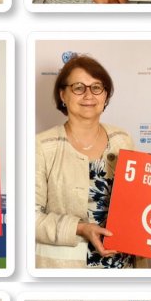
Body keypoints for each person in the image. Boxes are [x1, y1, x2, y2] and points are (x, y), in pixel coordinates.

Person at [35, 54, 134, 268]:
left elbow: (139, 203)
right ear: (63, 95)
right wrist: (79, 228)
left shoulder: (122, 139)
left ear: (105, 95)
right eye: (78, 87)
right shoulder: (42, 146)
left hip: (122, 265)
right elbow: (29, 217)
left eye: (96, 87)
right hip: (66, 269)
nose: (89, 95)